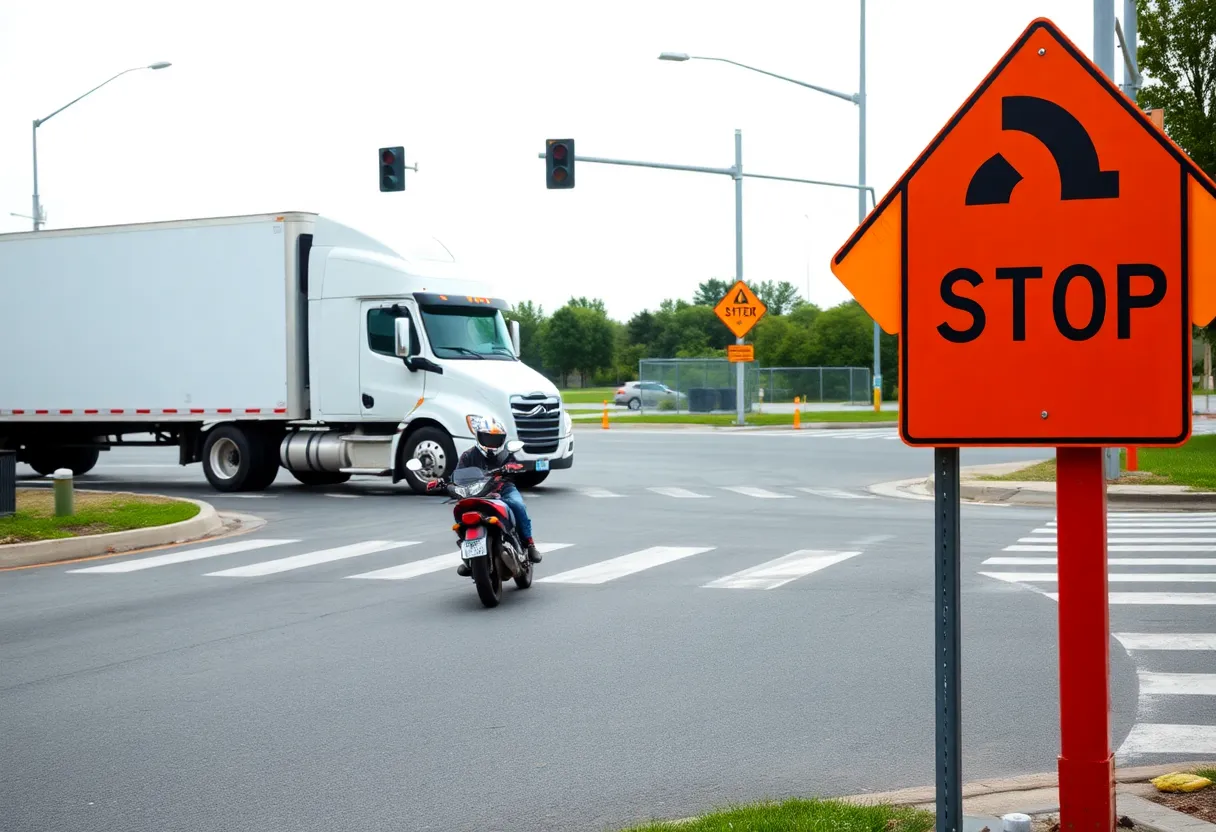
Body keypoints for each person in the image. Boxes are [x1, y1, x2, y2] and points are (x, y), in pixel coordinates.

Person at [428, 416, 542, 577]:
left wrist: (512, 466)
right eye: (487, 437)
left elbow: (517, 465)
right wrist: (442, 482)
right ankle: (469, 557)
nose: (491, 442)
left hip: (503, 489)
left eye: (495, 439)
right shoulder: (468, 456)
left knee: (518, 505)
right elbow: (456, 476)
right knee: (460, 511)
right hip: (476, 492)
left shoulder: (506, 454)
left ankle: (529, 545)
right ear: (479, 437)